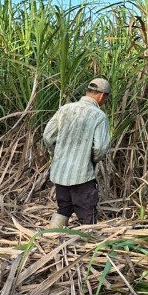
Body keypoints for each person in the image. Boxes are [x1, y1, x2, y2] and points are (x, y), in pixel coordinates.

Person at [43, 77, 111, 227]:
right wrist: (90, 160)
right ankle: (90, 248)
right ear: (101, 96)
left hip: (60, 173)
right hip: (82, 176)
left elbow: (48, 136)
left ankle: (51, 242)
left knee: (64, 209)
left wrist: (57, 154)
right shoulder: (98, 116)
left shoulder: (65, 109)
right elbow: (101, 148)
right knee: (88, 215)